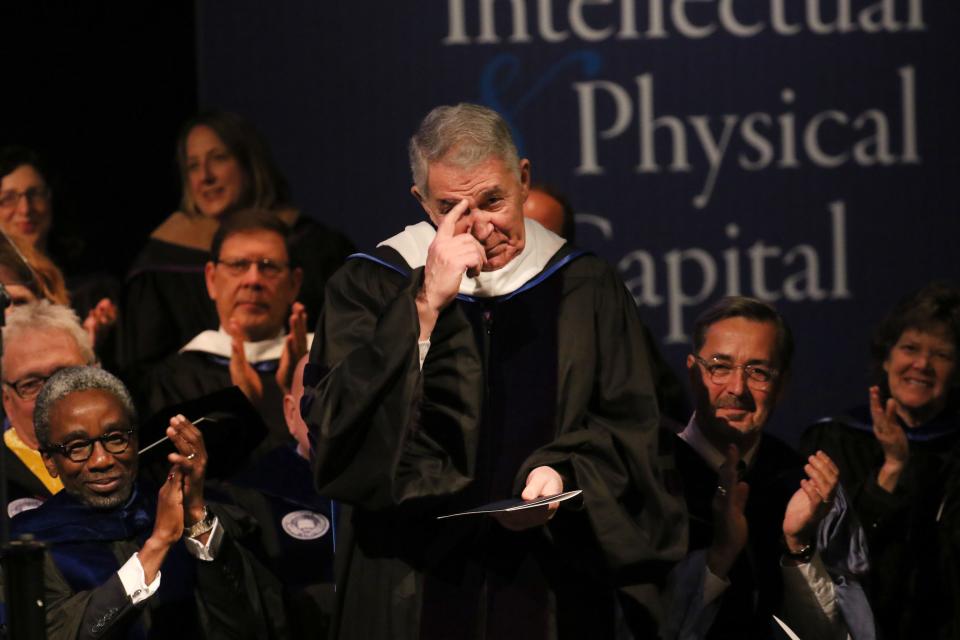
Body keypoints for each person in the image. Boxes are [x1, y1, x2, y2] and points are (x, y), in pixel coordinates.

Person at [302, 103, 686, 639]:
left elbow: (633, 433)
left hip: (547, 585)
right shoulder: (370, 287)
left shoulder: (585, 288)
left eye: (492, 201)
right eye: (451, 208)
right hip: (406, 587)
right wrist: (423, 307)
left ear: (524, 180)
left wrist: (566, 475)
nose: (479, 228)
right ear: (420, 203)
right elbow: (338, 439)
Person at [6, 366, 286, 639]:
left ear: (135, 440)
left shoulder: (183, 510)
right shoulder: (28, 549)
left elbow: (249, 625)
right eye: (77, 447)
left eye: (116, 439)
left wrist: (196, 521)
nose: (101, 460)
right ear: (50, 461)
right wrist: (158, 544)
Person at [663, 296, 872, 639]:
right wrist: (720, 556)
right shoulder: (649, 475)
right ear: (692, 371)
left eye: (758, 372)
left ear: (783, 386)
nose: (737, 388)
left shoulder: (804, 486)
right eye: (719, 366)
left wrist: (797, 544)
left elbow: (837, 635)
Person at [119, 110, 353, 385]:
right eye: (193, 165)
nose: (205, 177)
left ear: (249, 164)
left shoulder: (315, 245)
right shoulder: (158, 264)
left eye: (218, 158)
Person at [801, 281, 960, 640]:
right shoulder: (836, 441)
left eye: (942, 355)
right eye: (910, 348)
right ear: (887, 358)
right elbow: (832, 560)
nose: (922, 363)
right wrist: (891, 469)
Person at [143, 209, 309, 458]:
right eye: (238, 265)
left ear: (294, 284)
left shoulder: (326, 371)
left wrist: (300, 391)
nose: (253, 280)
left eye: (269, 267)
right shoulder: (175, 379)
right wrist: (242, 410)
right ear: (211, 279)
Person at [209, 354, 335, 638]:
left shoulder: (402, 488)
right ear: (290, 413)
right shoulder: (251, 495)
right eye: (319, 396)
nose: (333, 412)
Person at [1, 301, 96, 516]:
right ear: (7, 400)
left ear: (96, 373)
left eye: (65, 375)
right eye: (31, 384)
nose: (51, 395)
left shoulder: (140, 456)